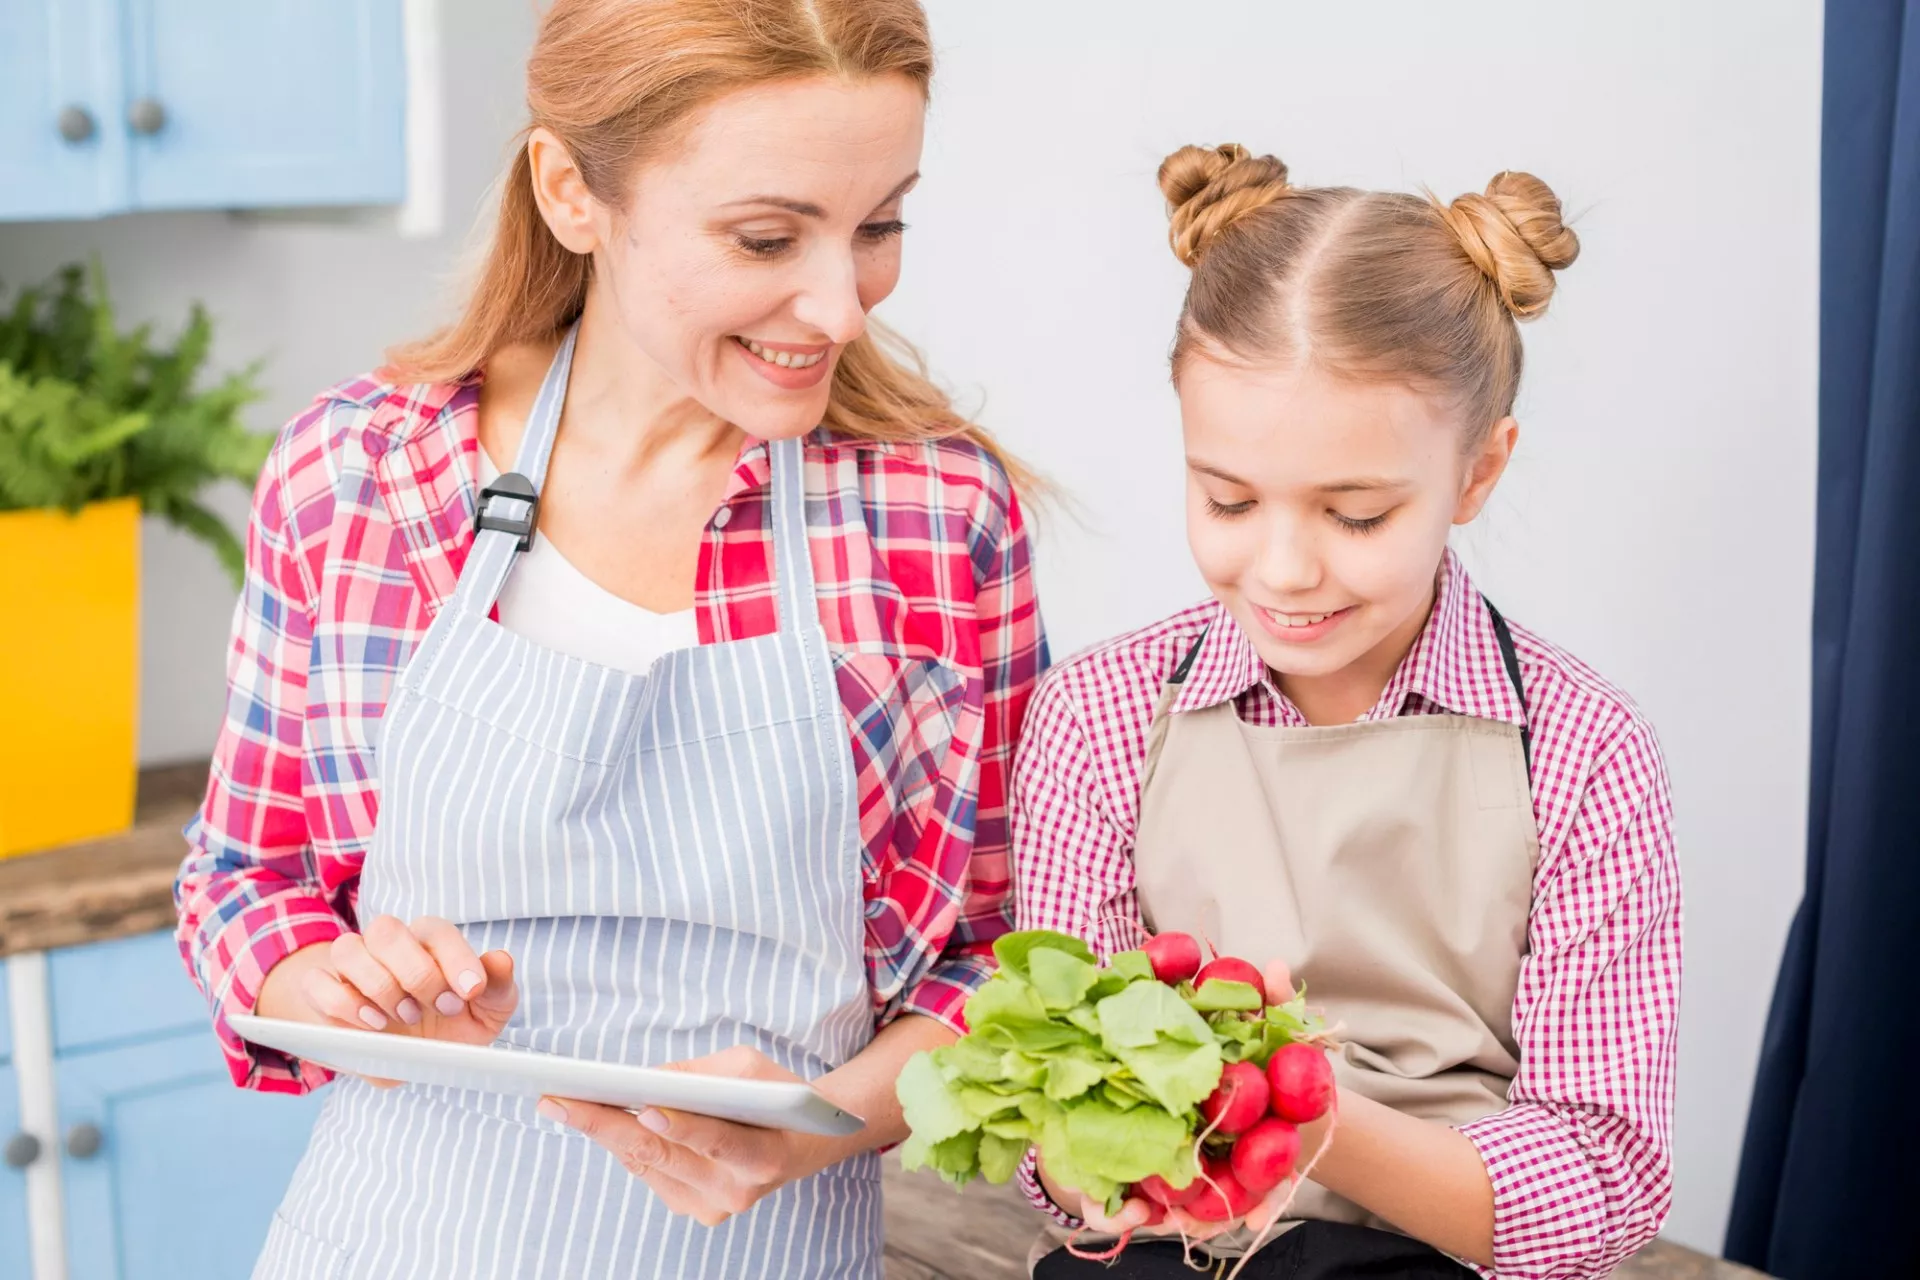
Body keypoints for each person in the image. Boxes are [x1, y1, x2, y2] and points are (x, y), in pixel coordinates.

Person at [172, 2, 1046, 1276]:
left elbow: (1003, 959)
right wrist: (326, 987)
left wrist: (825, 1125)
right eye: (766, 236)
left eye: (880, 226)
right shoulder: (358, 474)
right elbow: (240, 881)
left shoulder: (938, 513)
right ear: (573, 190)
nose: (839, 306)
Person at [1011, 144, 1679, 1279]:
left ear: (1477, 473)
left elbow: (1600, 1177)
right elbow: (1054, 1148)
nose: (1282, 568)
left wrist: (1300, 1112)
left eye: (1356, 514)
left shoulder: (1582, 747)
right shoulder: (1100, 713)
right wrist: (1113, 1131)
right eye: (1227, 498)